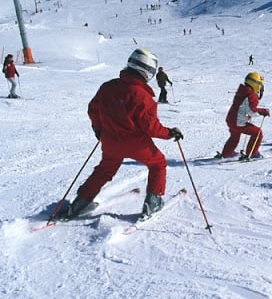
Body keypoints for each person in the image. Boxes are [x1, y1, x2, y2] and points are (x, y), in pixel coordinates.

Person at [64, 49, 183, 219]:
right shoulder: (142, 96)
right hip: (137, 144)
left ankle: (79, 203)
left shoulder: (108, 87)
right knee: (158, 164)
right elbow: (151, 127)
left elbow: (93, 110)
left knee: (104, 170)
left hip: (111, 142)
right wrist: (170, 133)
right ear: (147, 71)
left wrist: (99, 130)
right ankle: (153, 202)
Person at [218, 72, 270, 160]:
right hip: (238, 122)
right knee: (257, 133)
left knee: (235, 136)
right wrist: (262, 112)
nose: (261, 87)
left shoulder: (242, 91)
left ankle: (227, 153)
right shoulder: (251, 95)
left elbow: (242, 107)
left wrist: (245, 115)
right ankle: (252, 153)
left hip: (231, 119)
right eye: (260, 84)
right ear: (255, 84)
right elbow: (252, 111)